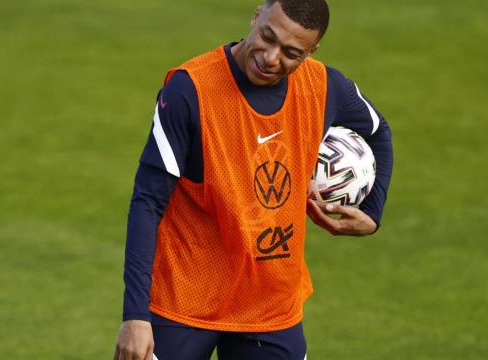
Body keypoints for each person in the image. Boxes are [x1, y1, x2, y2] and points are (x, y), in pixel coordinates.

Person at [114, 0, 393, 359]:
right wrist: (135, 316)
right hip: (184, 299)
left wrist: (373, 211)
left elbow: (378, 130)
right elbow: (147, 201)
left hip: (270, 303)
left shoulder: (323, 88)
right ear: (255, 17)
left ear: (311, 52)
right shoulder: (190, 90)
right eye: (267, 37)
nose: (271, 57)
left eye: (291, 53)